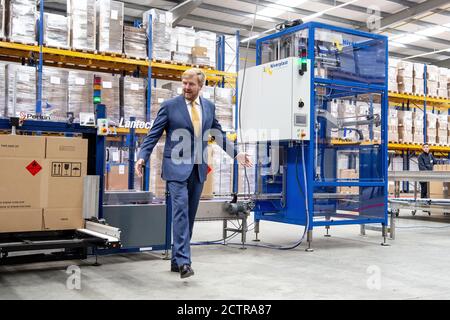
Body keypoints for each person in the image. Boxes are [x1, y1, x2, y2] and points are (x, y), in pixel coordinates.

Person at [135, 68, 252, 279]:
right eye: (184, 83)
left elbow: (217, 134)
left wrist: (237, 154)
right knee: (180, 211)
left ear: (201, 86)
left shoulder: (208, 107)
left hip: (197, 169)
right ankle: (184, 262)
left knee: (188, 216)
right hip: (175, 169)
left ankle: (176, 260)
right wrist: (142, 156)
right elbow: (153, 134)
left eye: (191, 85)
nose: (186, 88)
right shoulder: (170, 106)